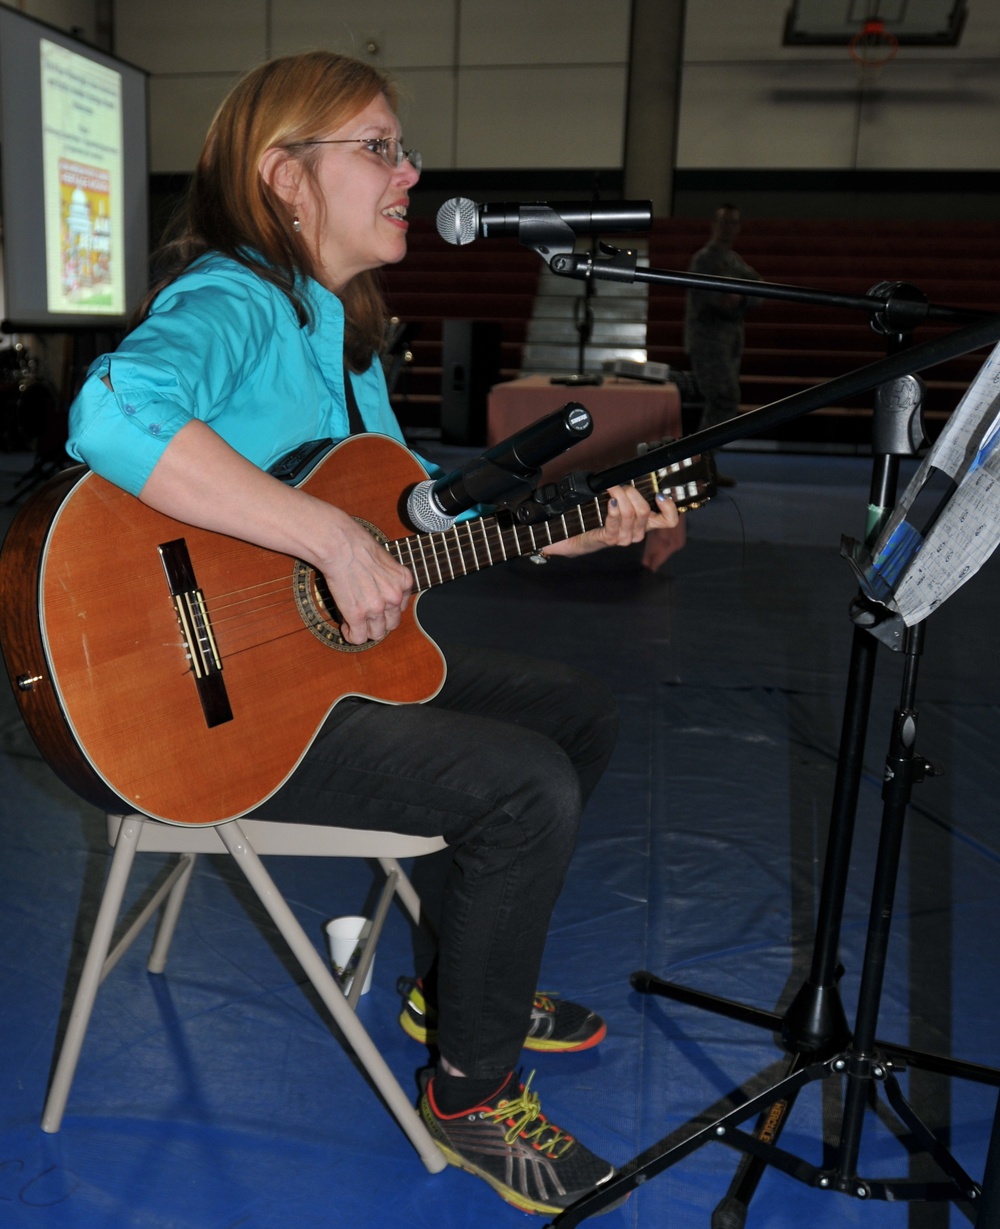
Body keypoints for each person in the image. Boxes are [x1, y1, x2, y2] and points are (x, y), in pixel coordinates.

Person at [66, 52, 678, 1217]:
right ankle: (470, 1086)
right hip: (202, 703)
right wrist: (325, 540)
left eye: (404, 149)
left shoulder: (339, 335)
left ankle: (459, 988)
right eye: (379, 147)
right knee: (521, 784)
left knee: (575, 710)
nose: (410, 172)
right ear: (283, 178)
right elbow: (111, 409)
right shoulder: (233, 299)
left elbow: (407, 520)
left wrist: (559, 530)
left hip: (307, 677)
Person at [684, 204, 762, 486]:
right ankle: (697, 465)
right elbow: (715, 301)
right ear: (713, 224)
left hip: (727, 344)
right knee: (723, 400)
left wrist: (740, 298)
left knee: (722, 402)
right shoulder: (704, 260)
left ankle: (703, 465)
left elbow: (758, 290)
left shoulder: (733, 261)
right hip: (708, 343)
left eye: (733, 223)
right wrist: (734, 300)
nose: (728, 228)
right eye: (723, 222)